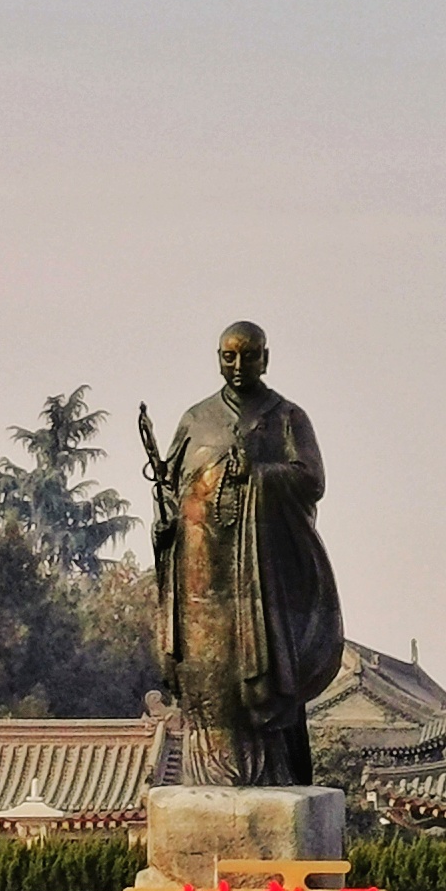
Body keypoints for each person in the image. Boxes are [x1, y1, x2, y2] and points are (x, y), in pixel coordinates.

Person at [150, 321, 344, 785]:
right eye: (228, 356)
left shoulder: (287, 417)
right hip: (203, 577)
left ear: (266, 358)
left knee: (264, 672)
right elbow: (173, 489)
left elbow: (311, 480)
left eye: (249, 356)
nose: (238, 366)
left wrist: (258, 473)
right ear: (218, 358)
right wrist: (168, 521)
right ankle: (210, 775)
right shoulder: (196, 419)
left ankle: (270, 773)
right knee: (207, 674)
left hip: (264, 573)